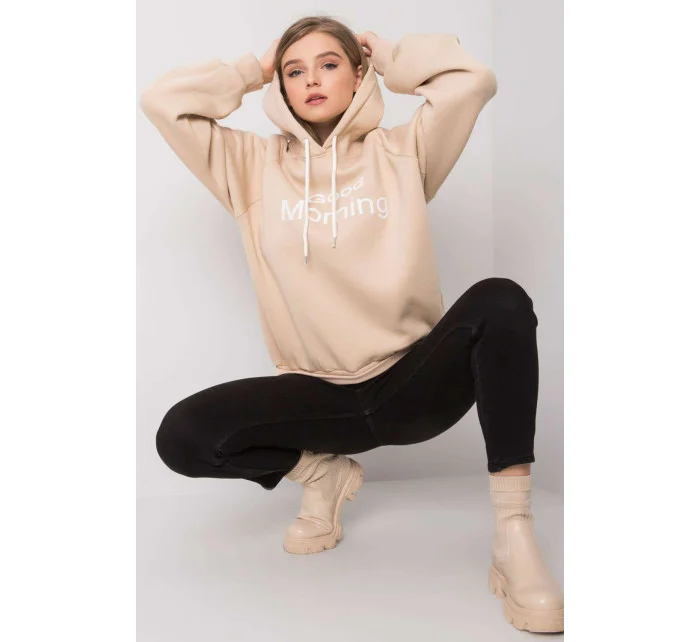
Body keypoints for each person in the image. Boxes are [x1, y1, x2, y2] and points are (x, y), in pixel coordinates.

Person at [139, 15, 564, 634]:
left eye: (329, 64)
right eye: (295, 71)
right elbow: (163, 102)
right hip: (318, 398)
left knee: (500, 301)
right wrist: (253, 70)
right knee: (182, 436)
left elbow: (472, 81)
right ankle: (324, 475)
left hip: (410, 386)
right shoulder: (248, 165)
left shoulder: (404, 151)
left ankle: (514, 535)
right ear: (281, 86)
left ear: (359, 75)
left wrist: (389, 56)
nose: (311, 79)